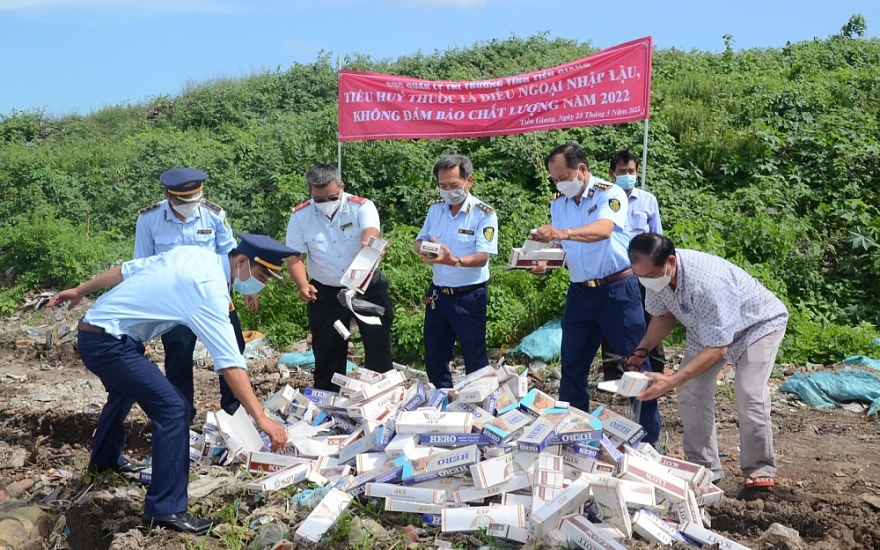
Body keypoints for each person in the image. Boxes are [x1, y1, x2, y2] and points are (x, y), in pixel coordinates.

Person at [47, 234, 295, 533]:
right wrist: (261, 418)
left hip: (102, 330)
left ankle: (104, 460)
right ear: (241, 262)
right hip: (107, 344)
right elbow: (230, 362)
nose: (262, 285)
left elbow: (125, 270)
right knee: (173, 409)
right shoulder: (209, 291)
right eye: (261, 276)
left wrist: (80, 290)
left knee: (126, 391)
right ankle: (166, 509)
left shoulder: (195, 255)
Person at [626, 233, 788, 487]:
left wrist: (672, 380)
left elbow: (718, 348)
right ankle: (704, 466)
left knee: (749, 391)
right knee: (691, 389)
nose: (645, 280)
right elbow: (664, 316)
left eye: (649, 275)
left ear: (670, 262)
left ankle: (760, 467)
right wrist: (642, 350)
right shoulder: (656, 279)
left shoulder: (707, 283)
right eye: (640, 276)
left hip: (756, 326)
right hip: (709, 331)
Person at [530, 143, 660, 445]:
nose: (560, 183)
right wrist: (543, 262)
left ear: (582, 170)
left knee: (635, 363)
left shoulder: (608, 193)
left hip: (617, 289)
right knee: (572, 366)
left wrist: (562, 233)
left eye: (563, 176)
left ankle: (649, 439)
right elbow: (563, 249)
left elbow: (603, 229)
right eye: (555, 179)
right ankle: (574, 434)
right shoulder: (559, 203)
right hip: (580, 293)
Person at [134, 168, 256, 422]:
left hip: (213, 296)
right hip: (174, 302)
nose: (189, 206)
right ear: (168, 195)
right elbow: (142, 264)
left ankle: (234, 412)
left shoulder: (213, 215)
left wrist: (248, 287)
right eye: (182, 201)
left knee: (233, 348)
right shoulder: (149, 219)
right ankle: (182, 416)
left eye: (194, 199)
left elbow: (232, 255)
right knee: (178, 355)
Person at [285, 164, 393, 391]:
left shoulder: (361, 207)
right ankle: (328, 406)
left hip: (366, 288)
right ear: (311, 193)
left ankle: (381, 399)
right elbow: (295, 256)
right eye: (319, 199)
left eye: (332, 197)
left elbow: (370, 233)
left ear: (342, 187)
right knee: (327, 353)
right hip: (325, 293)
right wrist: (303, 285)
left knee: (377, 348)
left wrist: (371, 246)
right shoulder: (300, 216)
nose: (326, 203)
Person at [415, 154, 498, 389]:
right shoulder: (436, 210)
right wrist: (423, 250)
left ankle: (478, 405)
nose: (448, 191)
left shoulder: (484, 214)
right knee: (435, 353)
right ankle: (441, 401)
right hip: (438, 295)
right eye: (443, 186)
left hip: (469, 296)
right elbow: (419, 240)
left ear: (468, 181)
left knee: (474, 354)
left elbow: (483, 256)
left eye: (454, 185)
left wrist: (455, 261)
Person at [601, 150, 666, 380]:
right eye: (621, 172)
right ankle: (613, 372)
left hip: (645, 271)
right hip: (616, 270)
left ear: (637, 173)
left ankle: (654, 369)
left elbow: (657, 236)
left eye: (631, 171)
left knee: (651, 316)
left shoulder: (648, 200)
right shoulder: (604, 200)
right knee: (613, 319)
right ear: (611, 174)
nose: (627, 175)